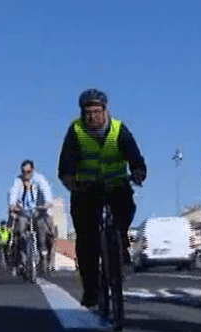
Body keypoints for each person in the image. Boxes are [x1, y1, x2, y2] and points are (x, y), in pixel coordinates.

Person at [58, 88, 147, 307]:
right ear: (82, 113)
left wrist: (138, 172)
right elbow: (65, 164)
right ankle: (91, 290)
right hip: (86, 190)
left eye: (97, 111)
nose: (93, 117)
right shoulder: (76, 131)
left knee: (126, 209)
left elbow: (135, 157)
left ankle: (120, 242)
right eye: (88, 112)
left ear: (106, 111)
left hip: (116, 186)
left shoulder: (118, 130)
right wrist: (70, 180)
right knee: (86, 240)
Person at [8, 160, 54, 277]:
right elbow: (13, 193)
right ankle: (22, 259)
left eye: (28, 172)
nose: (26, 174)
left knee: (41, 227)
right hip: (24, 211)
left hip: (38, 210)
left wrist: (46, 204)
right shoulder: (18, 180)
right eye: (23, 172)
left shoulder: (39, 179)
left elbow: (46, 192)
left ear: (33, 170)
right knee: (20, 229)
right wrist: (13, 205)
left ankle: (43, 252)